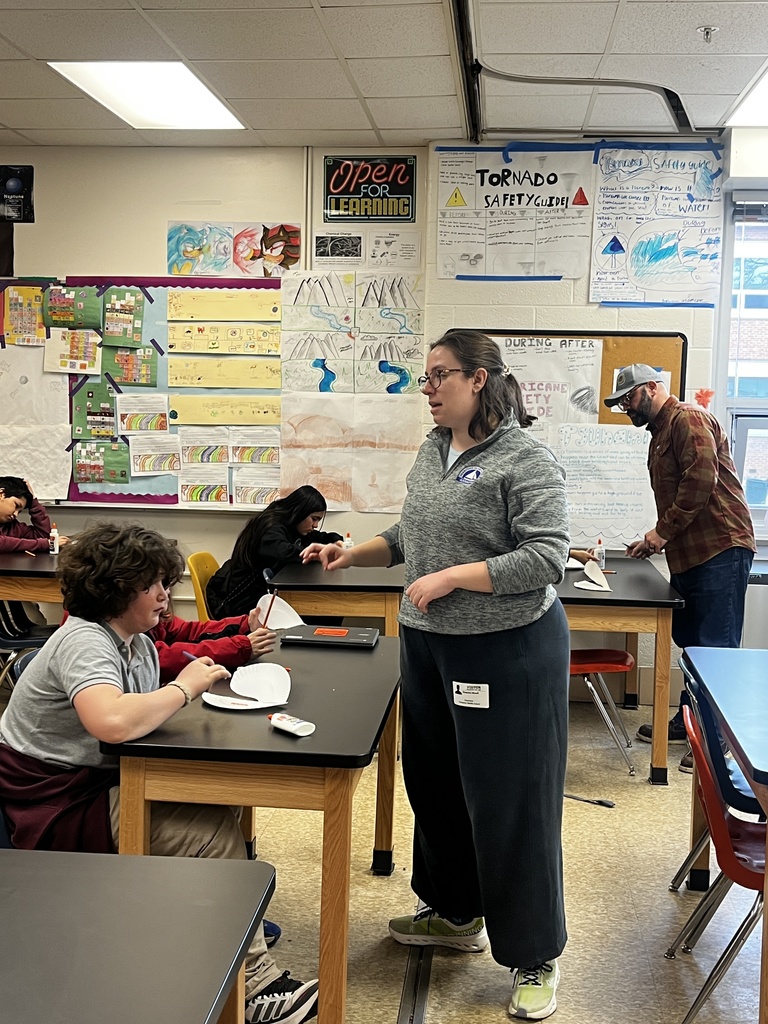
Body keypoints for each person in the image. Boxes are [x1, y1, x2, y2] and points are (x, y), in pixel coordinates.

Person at [303, 329, 571, 1021]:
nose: (426, 389)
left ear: (479, 380)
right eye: (425, 378)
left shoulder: (524, 457)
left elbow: (545, 557)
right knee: (438, 785)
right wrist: (351, 553)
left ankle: (534, 953)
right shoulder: (433, 449)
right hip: (428, 644)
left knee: (510, 801)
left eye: (439, 376)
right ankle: (455, 914)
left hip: (505, 648)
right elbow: (410, 533)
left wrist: (455, 577)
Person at [0, 521, 319, 1024]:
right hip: (54, 806)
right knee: (206, 833)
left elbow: (137, 712)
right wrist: (186, 687)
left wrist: (188, 682)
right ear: (119, 588)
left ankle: (217, 923)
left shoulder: (135, 639)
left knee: (216, 796)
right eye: (155, 586)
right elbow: (110, 719)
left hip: (96, 782)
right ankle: (257, 990)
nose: (166, 597)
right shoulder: (85, 641)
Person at [604, 363, 756, 771]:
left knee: (715, 651)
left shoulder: (688, 418)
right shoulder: (659, 435)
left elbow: (700, 481)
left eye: (628, 399)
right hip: (692, 554)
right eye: (620, 402)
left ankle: (715, 742)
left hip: (720, 548)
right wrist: (655, 539)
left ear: (652, 388)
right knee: (693, 648)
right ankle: (690, 723)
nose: (625, 407)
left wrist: (660, 533)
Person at [207, 486, 343, 618]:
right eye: (314, 519)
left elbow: (315, 537)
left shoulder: (291, 524)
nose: (315, 525)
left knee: (325, 611)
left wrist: (335, 541)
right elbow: (284, 552)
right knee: (323, 612)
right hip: (240, 601)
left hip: (260, 595)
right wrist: (318, 554)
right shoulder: (271, 525)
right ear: (299, 511)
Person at [149, 601, 276, 682]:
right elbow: (163, 659)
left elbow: (192, 632)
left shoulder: (154, 622)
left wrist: (244, 625)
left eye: (164, 585)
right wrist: (237, 648)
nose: (164, 595)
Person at [0, 476, 69, 553]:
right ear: (1, 494)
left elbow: (42, 535)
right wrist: (45, 544)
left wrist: (33, 502)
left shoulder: (12, 526)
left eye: (19, 512)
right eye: (16, 505)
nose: (16, 514)